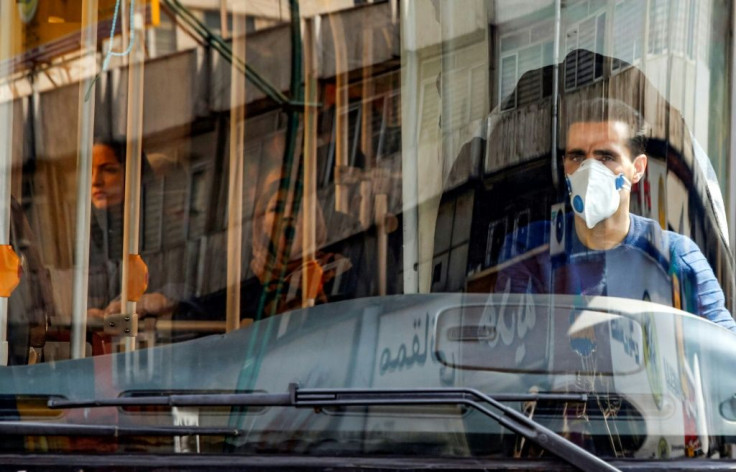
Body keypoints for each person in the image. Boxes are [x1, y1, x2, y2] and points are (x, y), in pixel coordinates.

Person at [496, 97, 736, 332]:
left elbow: (724, 348)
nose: (588, 171)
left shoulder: (677, 258)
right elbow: (511, 347)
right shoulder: (529, 250)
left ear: (638, 169)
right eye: (577, 156)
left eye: (606, 157)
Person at [87, 140, 173, 323]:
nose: (96, 181)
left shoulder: (164, 231)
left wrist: (149, 302)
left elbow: (186, 292)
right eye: (89, 171)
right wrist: (90, 316)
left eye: (109, 170)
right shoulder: (89, 237)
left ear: (135, 176)